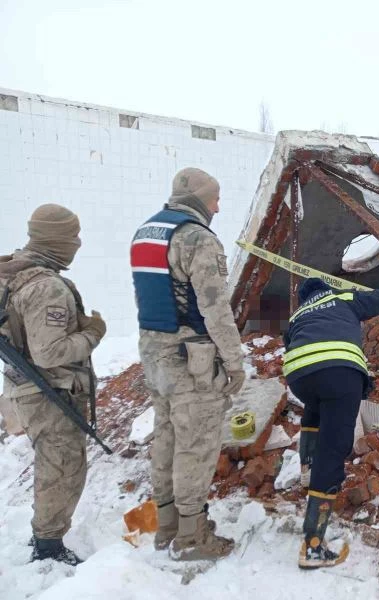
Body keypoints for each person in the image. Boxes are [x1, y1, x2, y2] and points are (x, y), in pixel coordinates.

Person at [132, 168, 246, 561]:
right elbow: (215, 310)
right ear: (200, 199)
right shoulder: (197, 237)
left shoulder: (146, 232)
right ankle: (192, 537)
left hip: (154, 353)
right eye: (215, 199)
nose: (218, 206)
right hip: (190, 359)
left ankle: (166, 526)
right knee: (195, 445)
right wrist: (234, 362)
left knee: (166, 438)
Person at [285, 260, 379, 569]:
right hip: (340, 373)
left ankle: (308, 467)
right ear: (325, 289)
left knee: (315, 406)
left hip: (298, 378)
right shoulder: (342, 298)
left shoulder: (297, 315)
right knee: (333, 450)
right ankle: (313, 546)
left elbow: (292, 348)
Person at [0, 204, 106, 565]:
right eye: (73, 236)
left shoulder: (11, 271)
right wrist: (92, 333)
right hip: (49, 390)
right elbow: (49, 352)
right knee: (61, 467)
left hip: (22, 387)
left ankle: (47, 538)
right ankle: (48, 547)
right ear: (57, 239)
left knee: (54, 463)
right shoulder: (46, 287)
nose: (77, 243)